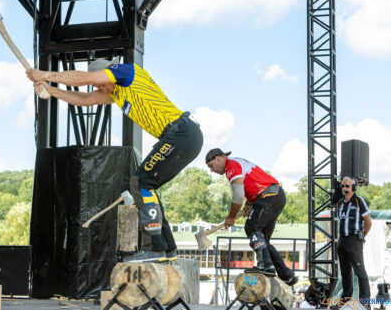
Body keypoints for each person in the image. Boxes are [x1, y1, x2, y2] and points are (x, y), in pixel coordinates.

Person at [26, 60, 203, 263]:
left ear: (108, 73)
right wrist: (51, 90)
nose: (101, 88)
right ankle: (167, 248)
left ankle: (155, 248)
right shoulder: (117, 94)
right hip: (179, 136)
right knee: (146, 185)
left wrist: (45, 75)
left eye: (102, 83)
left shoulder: (127, 72)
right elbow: (85, 99)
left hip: (181, 132)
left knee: (141, 182)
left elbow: (85, 79)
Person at [205, 148, 297, 285]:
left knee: (251, 227)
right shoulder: (237, 162)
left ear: (219, 158)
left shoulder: (231, 166)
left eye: (211, 166)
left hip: (269, 196)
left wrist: (231, 216)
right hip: (274, 195)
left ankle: (265, 265)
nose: (212, 170)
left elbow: (237, 195)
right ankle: (286, 275)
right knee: (262, 240)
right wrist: (250, 202)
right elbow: (252, 182)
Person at [337, 176, 372, 308]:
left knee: (359, 271)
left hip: (354, 240)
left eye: (347, 186)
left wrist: (361, 236)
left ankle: (365, 302)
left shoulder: (359, 201)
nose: (344, 188)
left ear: (353, 188)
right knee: (345, 272)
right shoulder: (341, 202)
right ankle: (345, 299)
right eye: (343, 186)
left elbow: (368, 222)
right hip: (342, 239)